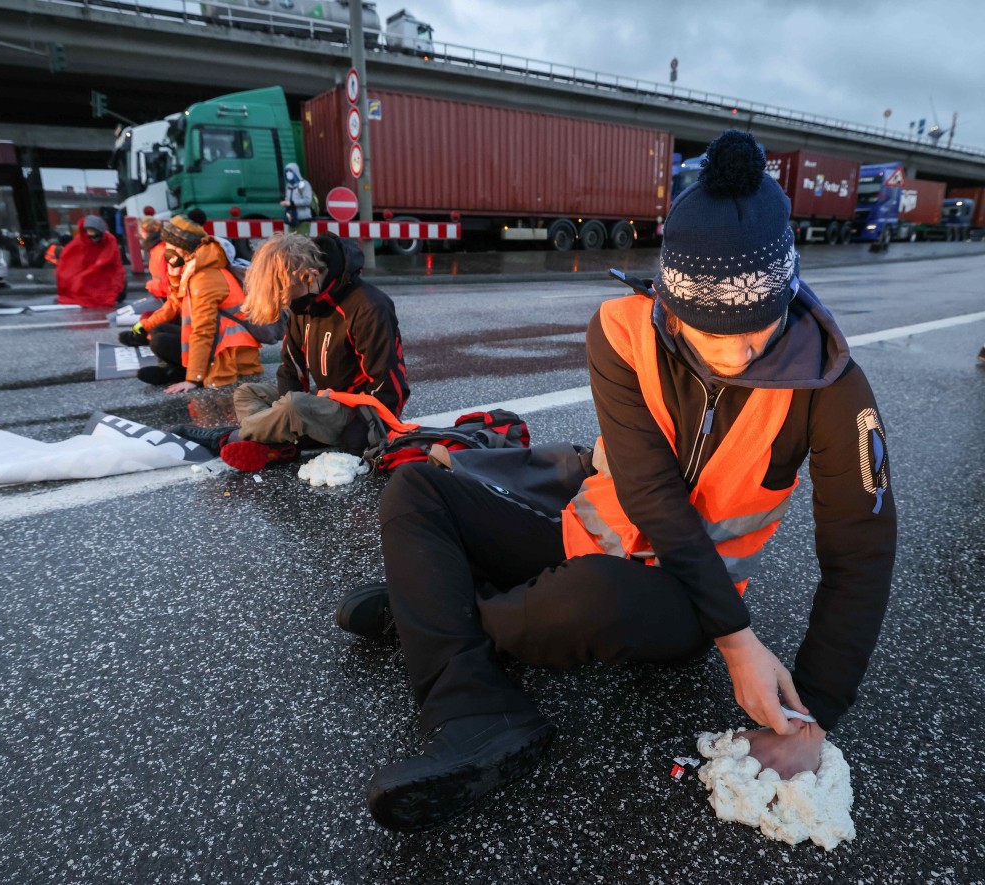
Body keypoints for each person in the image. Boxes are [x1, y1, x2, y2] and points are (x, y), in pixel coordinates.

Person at [335, 130, 897, 832]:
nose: (736, 354)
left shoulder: (831, 384)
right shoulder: (621, 331)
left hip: (689, 600)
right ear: (670, 301)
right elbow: (650, 493)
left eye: (759, 329)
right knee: (415, 490)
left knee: (584, 597)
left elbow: (861, 554)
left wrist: (806, 711)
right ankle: (476, 709)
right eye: (710, 331)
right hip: (585, 531)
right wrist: (742, 646)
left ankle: (434, 607)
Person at [168, 232, 409, 472]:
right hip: (326, 401)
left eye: (287, 295)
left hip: (361, 418)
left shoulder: (369, 308)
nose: (287, 304)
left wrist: (356, 439)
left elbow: (390, 390)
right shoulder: (304, 301)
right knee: (247, 393)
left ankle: (226, 438)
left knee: (294, 406)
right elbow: (290, 370)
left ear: (309, 275)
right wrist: (288, 415)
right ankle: (281, 444)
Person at [123, 215, 262, 392]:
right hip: (221, 345)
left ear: (184, 248)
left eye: (171, 246)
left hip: (230, 356)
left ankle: (188, 373)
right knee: (159, 330)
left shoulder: (204, 278)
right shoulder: (195, 268)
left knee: (160, 341)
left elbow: (204, 330)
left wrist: (193, 379)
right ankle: (180, 371)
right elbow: (175, 304)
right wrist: (146, 324)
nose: (167, 250)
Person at [55, 215, 126, 310]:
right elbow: (71, 260)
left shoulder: (109, 241)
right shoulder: (81, 241)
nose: (92, 236)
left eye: (94, 232)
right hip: (91, 277)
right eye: (89, 232)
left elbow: (113, 264)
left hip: (105, 275)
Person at [140, 215, 170, 301]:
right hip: (164, 297)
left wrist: (153, 285)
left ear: (144, 231)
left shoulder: (160, 250)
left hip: (167, 298)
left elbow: (167, 281)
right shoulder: (156, 249)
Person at [280, 163, 315, 234]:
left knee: (301, 241)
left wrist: (292, 203)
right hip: (291, 218)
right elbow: (288, 198)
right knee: (290, 241)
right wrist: (286, 203)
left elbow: (308, 201)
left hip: (303, 218)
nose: (288, 174)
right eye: (286, 172)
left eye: (290, 171)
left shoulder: (304, 184)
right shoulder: (288, 186)